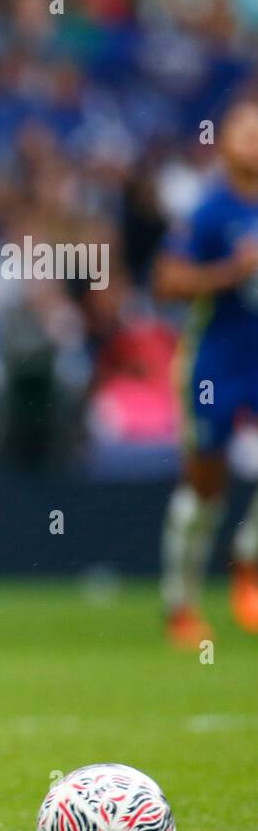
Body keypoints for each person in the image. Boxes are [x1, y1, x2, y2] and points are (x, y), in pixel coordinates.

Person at [155, 94, 258, 649]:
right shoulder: (208, 210)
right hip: (216, 360)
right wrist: (231, 272)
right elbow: (166, 282)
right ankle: (181, 602)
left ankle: (249, 558)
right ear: (224, 142)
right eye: (245, 130)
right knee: (205, 485)